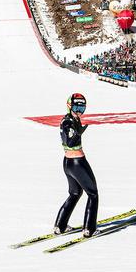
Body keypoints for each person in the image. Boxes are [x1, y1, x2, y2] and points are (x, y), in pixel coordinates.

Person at [53, 93, 99, 238]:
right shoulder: (68, 121)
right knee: (93, 194)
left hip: (68, 163)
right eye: (76, 107)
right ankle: (89, 229)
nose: (79, 111)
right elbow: (69, 140)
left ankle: (60, 226)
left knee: (75, 193)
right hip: (78, 162)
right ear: (69, 106)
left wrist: (77, 131)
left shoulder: (72, 119)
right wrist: (76, 134)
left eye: (82, 107)